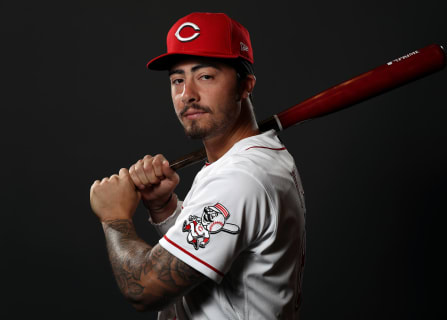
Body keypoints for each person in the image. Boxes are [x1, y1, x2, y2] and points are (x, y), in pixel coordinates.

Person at [90, 12, 306, 319]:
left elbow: (145, 290)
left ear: (245, 85)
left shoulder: (240, 178)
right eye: (178, 79)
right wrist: (165, 209)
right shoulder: (245, 162)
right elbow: (215, 250)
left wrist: (113, 218)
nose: (186, 95)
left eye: (205, 76)